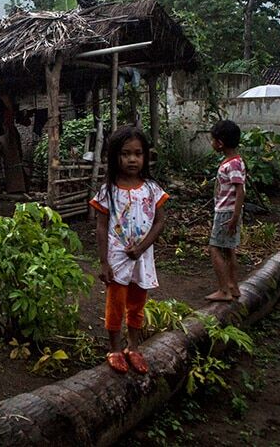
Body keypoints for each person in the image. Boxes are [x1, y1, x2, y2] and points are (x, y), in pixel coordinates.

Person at [89, 125, 168, 375]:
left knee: (137, 303)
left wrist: (143, 247)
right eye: (125, 153)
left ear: (145, 156)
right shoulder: (109, 191)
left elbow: (159, 221)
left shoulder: (151, 189)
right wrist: (103, 262)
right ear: (115, 156)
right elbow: (101, 228)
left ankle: (133, 346)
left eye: (138, 153)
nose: (132, 159)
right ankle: (114, 348)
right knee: (116, 303)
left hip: (142, 258)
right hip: (117, 258)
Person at [206, 120, 246, 302]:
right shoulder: (234, 162)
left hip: (226, 213)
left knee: (215, 248)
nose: (212, 143)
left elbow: (240, 191)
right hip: (229, 212)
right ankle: (233, 286)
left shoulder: (233, 165)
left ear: (220, 143)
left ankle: (224, 290)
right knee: (229, 249)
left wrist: (234, 217)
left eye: (213, 140)